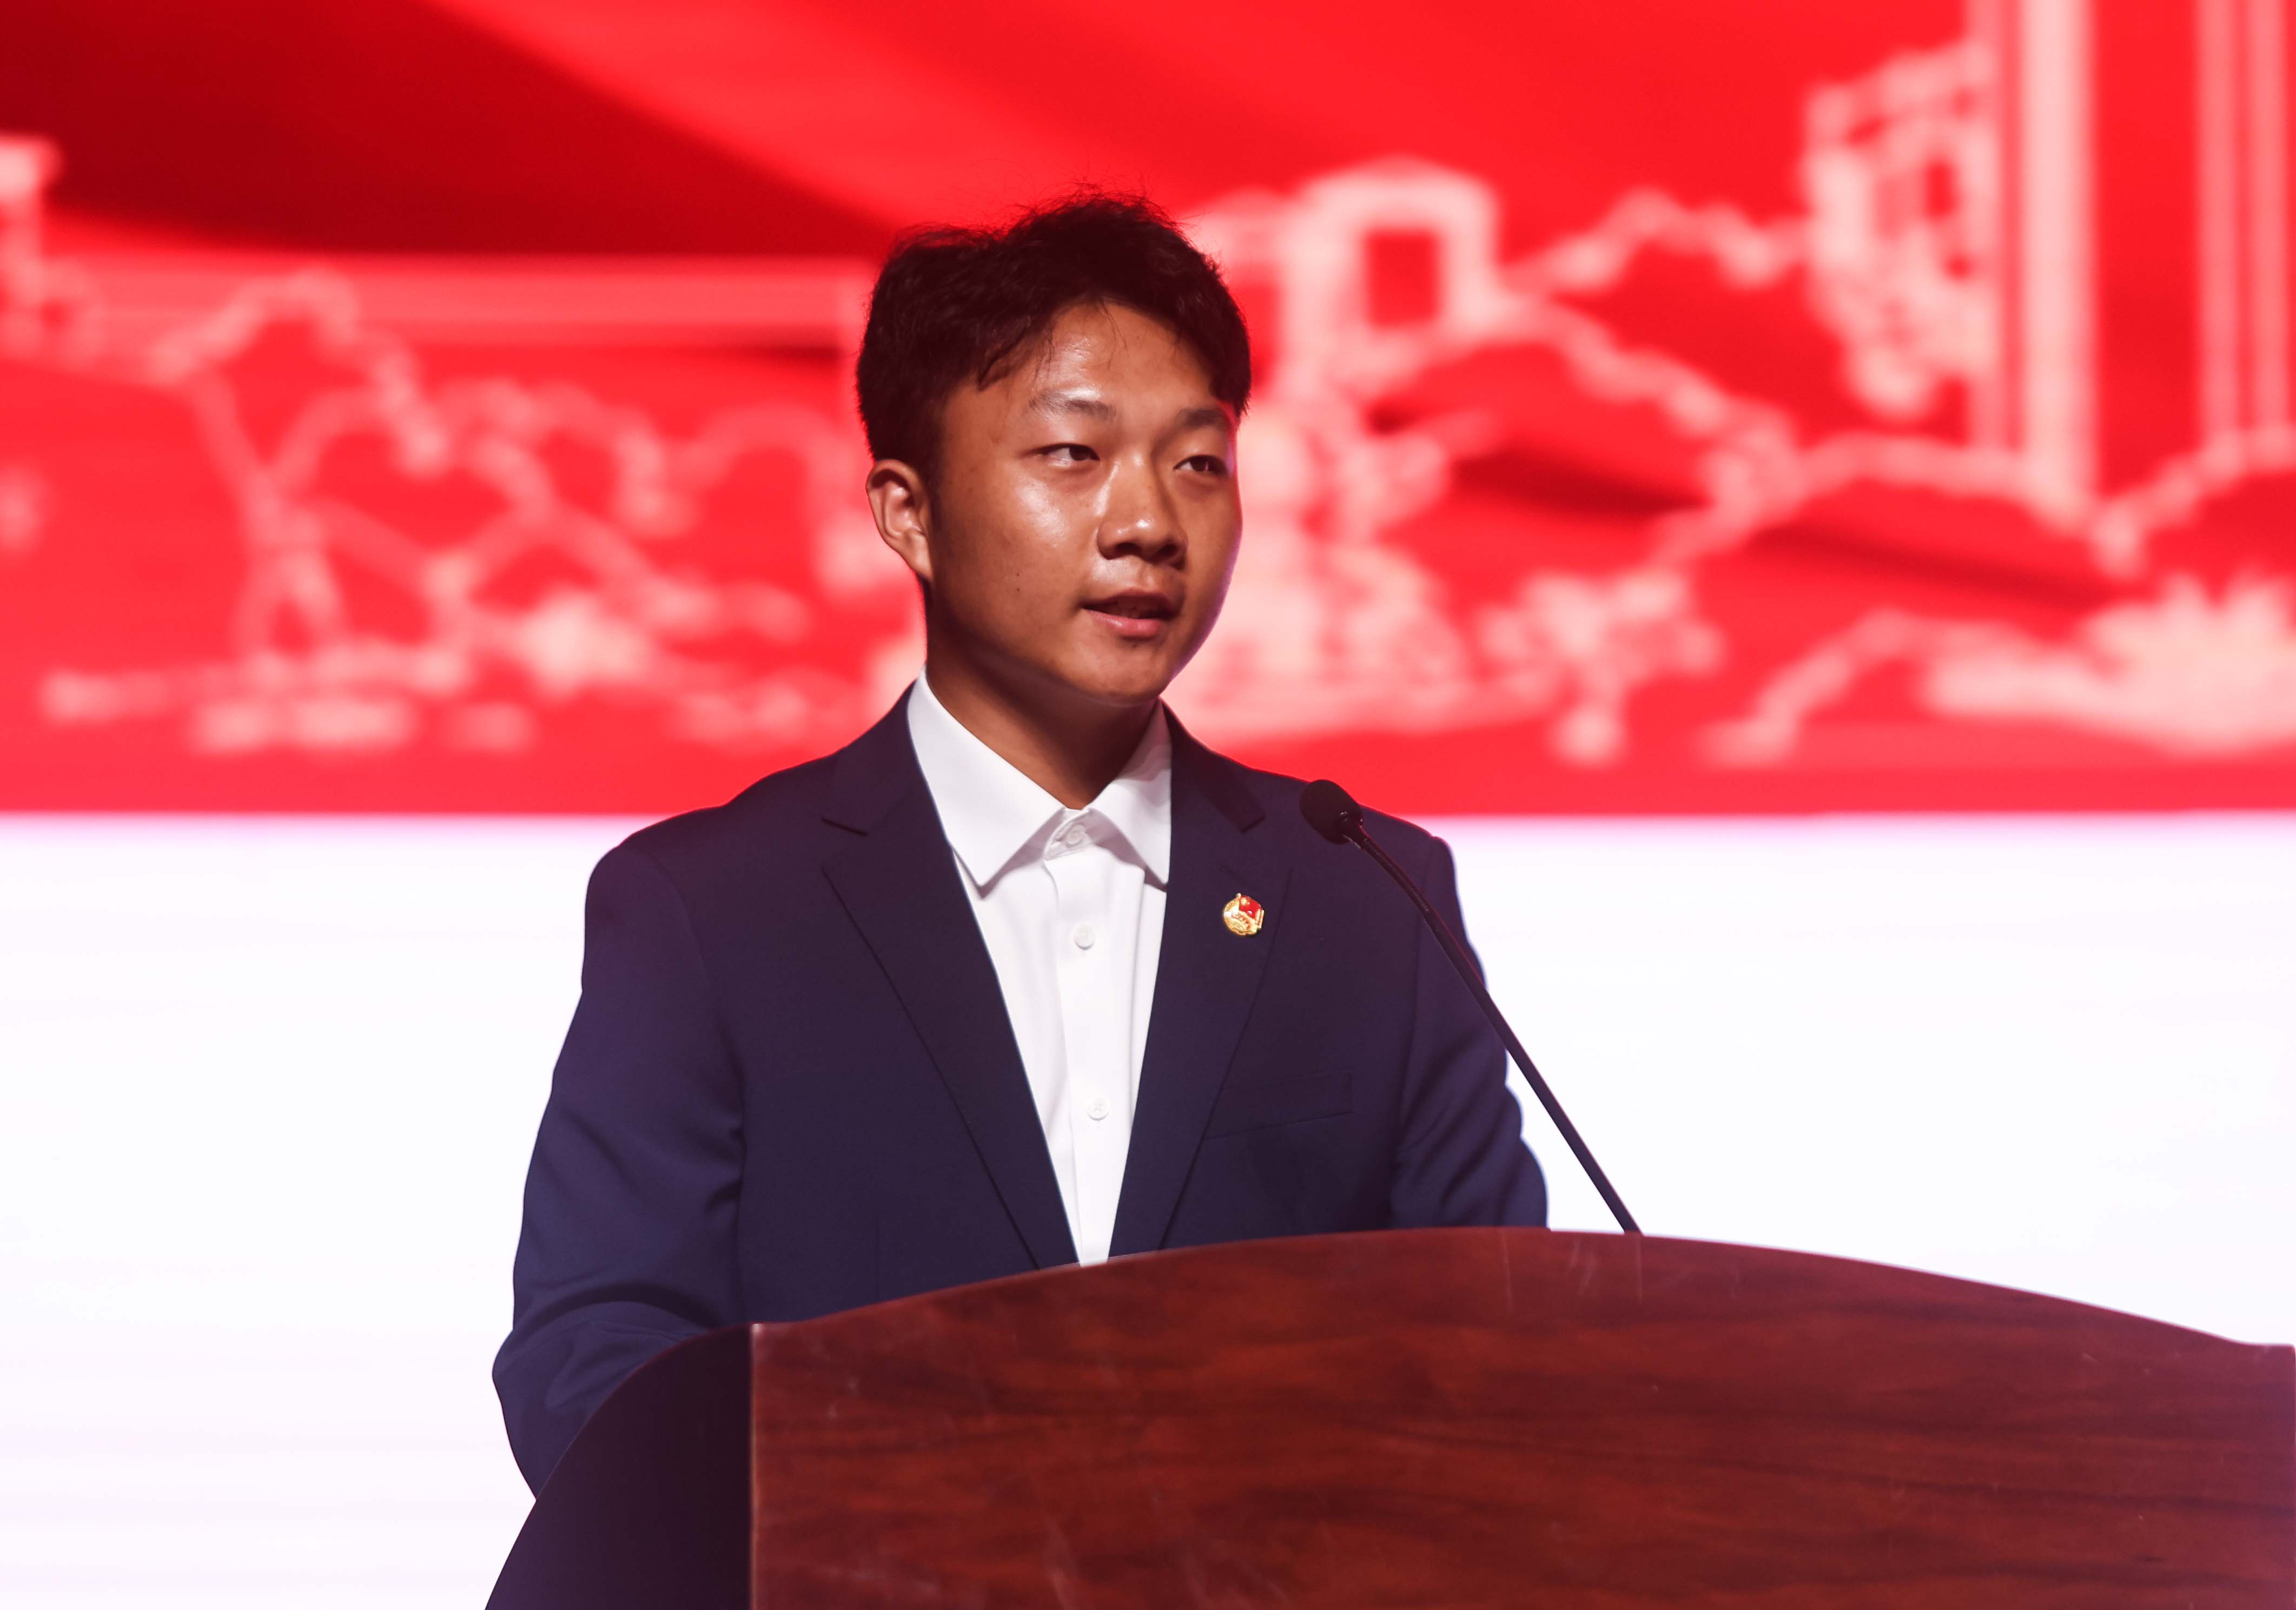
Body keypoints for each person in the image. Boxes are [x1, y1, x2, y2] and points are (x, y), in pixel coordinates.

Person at [493, 194, 1544, 1492]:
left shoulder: (1368, 898)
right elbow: (593, 1359)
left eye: (1198, 462)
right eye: (1072, 455)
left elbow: (1503, 1351)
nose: (1147, 522)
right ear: (908, 512)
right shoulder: (711, 912)